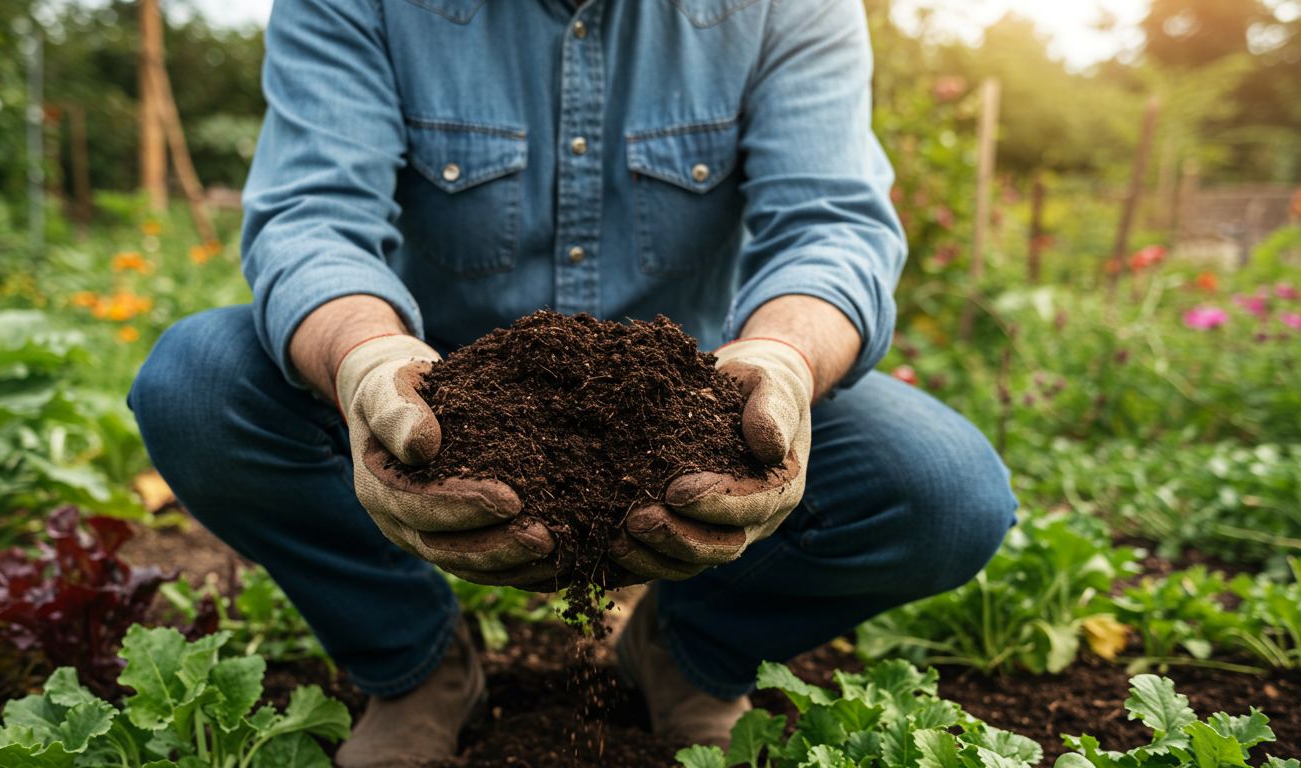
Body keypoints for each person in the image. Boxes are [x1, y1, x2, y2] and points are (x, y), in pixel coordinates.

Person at [129, 0, 1018, 765]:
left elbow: (833, 225)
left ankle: (688, 650)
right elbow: (314, 217)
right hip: (439, 405)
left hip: (694, 403)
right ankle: (415, 658)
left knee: (944, 489)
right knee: (198, 385)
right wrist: (368, 361)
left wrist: (781, 361)